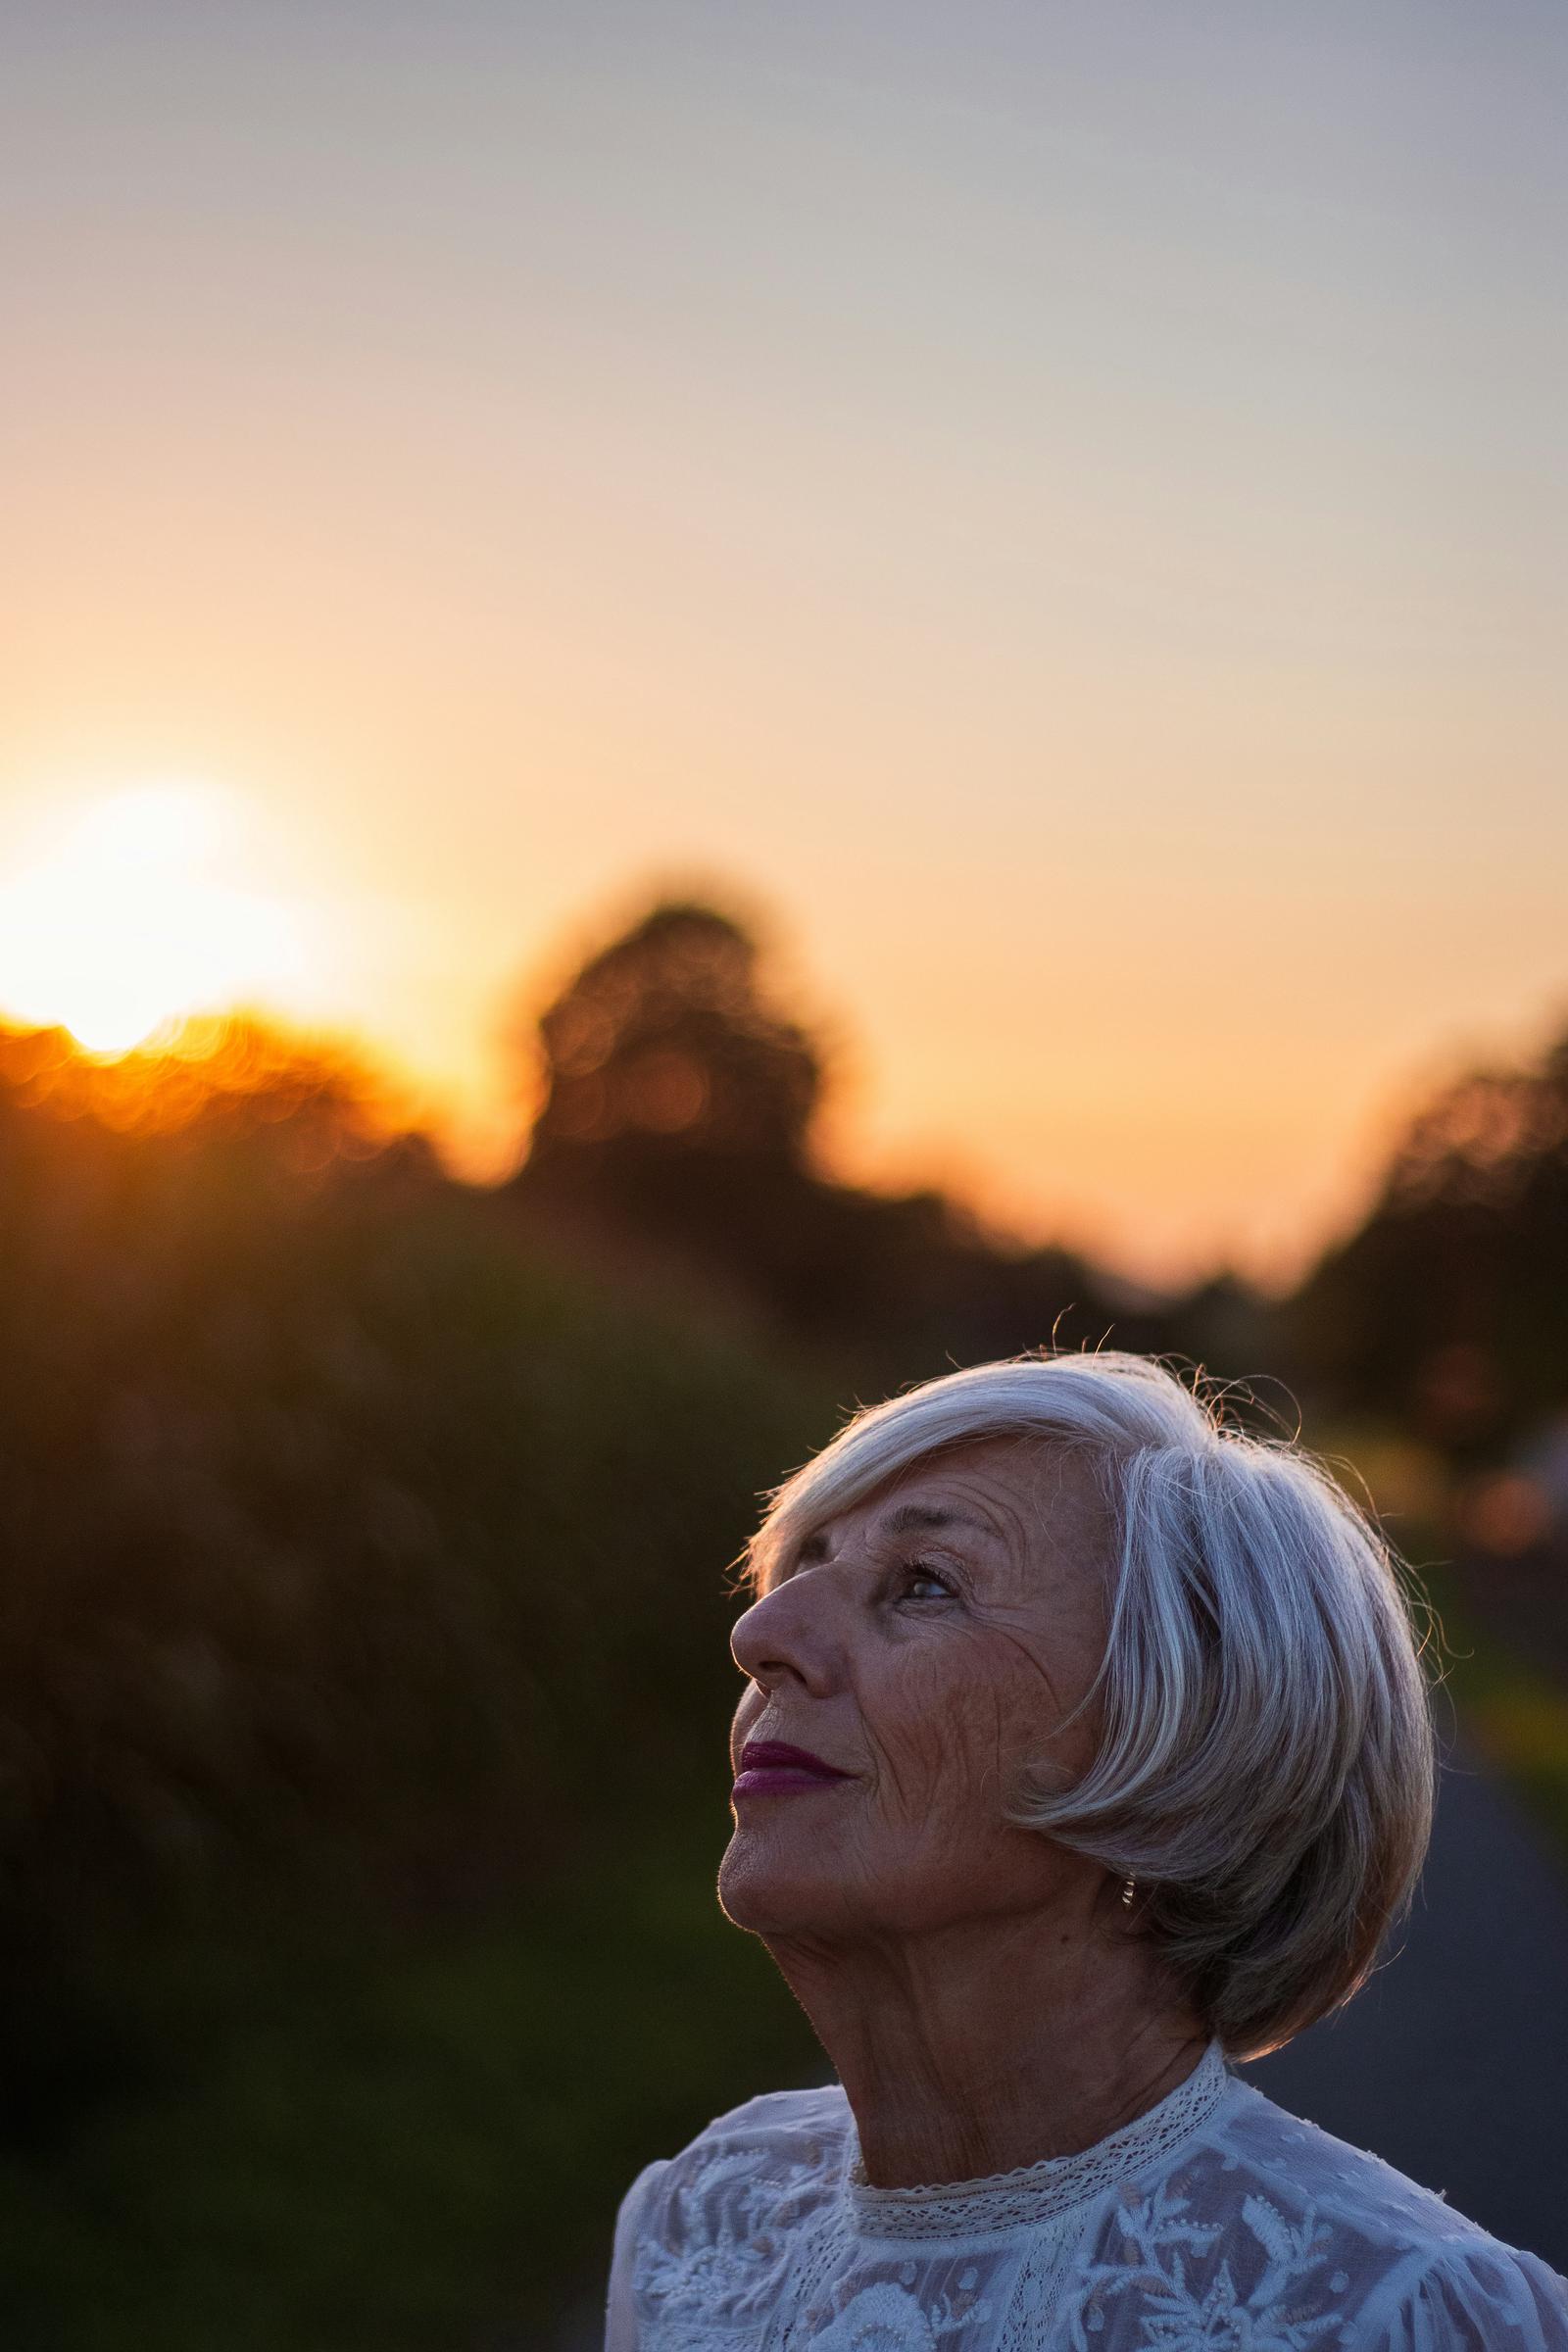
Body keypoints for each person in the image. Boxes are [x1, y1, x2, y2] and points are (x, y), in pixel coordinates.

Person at [603, 1351, 1568, 2351]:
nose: (760, 1632)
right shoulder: (699, 2222)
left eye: (923, 1584)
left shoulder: (1400, 2314)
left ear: (1183, 1739)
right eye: (805, 1568)